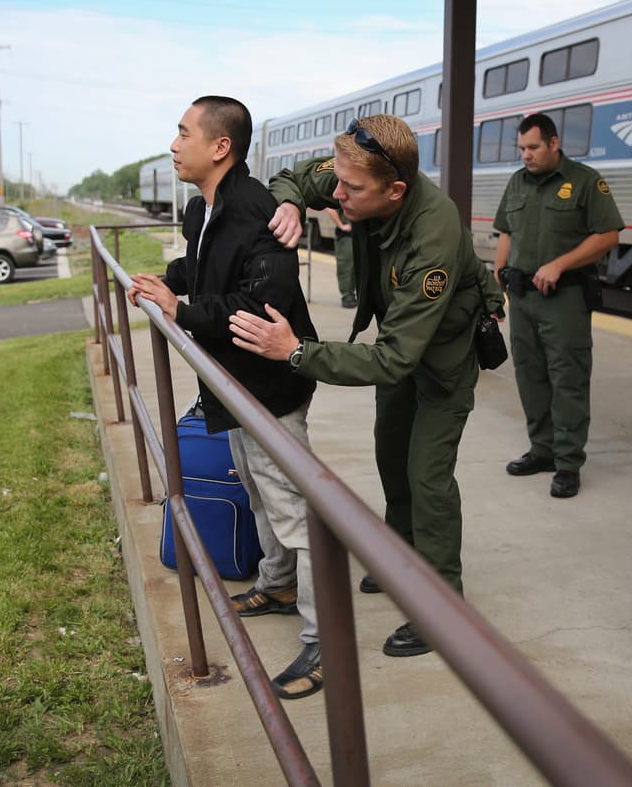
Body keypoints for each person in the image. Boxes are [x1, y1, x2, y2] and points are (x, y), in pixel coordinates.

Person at [228, 114, 504, 659]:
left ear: (395, 190)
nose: (337, 195)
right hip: (400, 342)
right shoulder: (359, 171)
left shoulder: (434, 237)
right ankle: (400, 560)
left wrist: (297, 352)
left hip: (441, 359)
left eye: (350, 190)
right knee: (390, 459)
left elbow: (395, 359)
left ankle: (443, 611)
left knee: (427, 477)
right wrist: (287, 204)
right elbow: (292, 178)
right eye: (339, 183)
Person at [126, 95, 325, 700]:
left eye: (183, 132)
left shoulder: (256, 213)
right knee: (258, 490)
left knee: (292, 507)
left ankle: (326, 639)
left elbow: (255, 306)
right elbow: (206, 266)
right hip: (231, 382)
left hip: (269, 386)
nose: (173, 143)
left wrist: (180, 309)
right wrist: (173, 281)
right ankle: (278, 584)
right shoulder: (202, 208)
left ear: (220, 146)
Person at [492, 113, 623, 499]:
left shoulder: (583, 181)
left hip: (564, 298)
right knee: (529, 375)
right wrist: (499, 274)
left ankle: (568, 463)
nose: (526, 156)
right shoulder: (518, 182)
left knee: (567, 378)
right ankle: (542, 450)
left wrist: (560, 264)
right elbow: (507, 231)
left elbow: (609, 234)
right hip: (522, 298)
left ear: (553, 143)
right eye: (521, 149)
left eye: (532, 148)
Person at [327, 207, 358, 308]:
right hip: (346, 235)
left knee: (355, 267)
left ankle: (352, 296)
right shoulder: (339, 192)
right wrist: (341, 225)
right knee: (346, 267)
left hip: (358, 234)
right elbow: (329, 208)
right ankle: (347, 297)